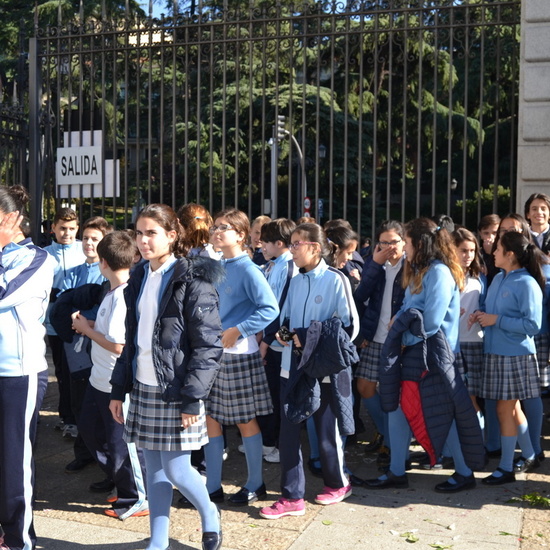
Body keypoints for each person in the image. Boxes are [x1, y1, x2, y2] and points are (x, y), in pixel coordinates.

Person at [109, 204, 223, 550]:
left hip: (177, 390)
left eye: (151, 233)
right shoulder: (140, 276)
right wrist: (119, 388)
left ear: (172, 236)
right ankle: (158, 541)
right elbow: (133, 338)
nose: (143, 241)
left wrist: (192, 397)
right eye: (139, 233)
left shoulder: (193, 279)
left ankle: (211, 514)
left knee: (177, 470)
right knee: (154, 471)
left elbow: (208, 346)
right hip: (143, 386)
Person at [366, 217, 484, 493]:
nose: (404, 248)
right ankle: (397, 470)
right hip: (416, 355)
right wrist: (402, 324)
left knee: (444, 414)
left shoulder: (440, 272)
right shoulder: (423, 270)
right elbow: (414, 312)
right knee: (397, 407)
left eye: (406, 242)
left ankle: (464, 473)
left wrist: (401, 333)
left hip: (434, 358)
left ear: (420, 243)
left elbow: (431, 322)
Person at [259, 222, 359, 520]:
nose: (292, 250)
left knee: (326, 432)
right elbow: (286, 324)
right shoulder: (296, 280)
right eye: (291, 244)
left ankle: (337, 484)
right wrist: (283, 337)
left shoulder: (336, 279)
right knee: (289, 434)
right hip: (292, 366)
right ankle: (292, 497)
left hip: (325, 370)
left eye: (297, 244)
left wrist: (307, 335)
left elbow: (350, 328)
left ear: (315, 247)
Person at [204, 208, 279, 507]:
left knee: (246, 420)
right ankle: (212, 486)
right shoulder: (219, 264)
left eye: (225, 227)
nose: (217, 231)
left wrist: (239, 330)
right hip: (213, 354)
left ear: (241, 234)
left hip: (238, 355)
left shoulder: (248, 268)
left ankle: (255, 483)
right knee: (211, 418)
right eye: (215, 227)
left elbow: (269, 308)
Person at [72, 231, 148, 519]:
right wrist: (91, 324)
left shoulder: (122, 296)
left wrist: (86, 330)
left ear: (103, 262)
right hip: (99, 380)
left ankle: (138, 497)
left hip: (115, 384)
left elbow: (118, 346)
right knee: (93, 433)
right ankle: (124, 485)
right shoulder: (113, 291)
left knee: (122, 447)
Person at [0, 188, 55, 550]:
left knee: (13, 464)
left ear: (9, 219)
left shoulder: (37, 259)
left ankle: (20, 541)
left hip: (18, 373)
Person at [472, 231, 544, 484]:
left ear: (510, 254)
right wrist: (481, 316)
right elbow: (495, 314)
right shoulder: (499, 278)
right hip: (496, 352)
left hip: (515, 356)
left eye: (498, 248)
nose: (492, 252)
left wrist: (496, 320)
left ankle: (505, 467)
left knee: (504, 409)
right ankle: (530, 454)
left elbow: (533, 325)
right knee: (510, 409)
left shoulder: (526, 283)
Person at [57, 216, 111, 473]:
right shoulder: (74, 271)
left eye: (95, 239)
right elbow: (62, 306)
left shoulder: (108, 272)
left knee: (101, 405)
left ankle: (105, 457)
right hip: (75, 347)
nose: (89, 243)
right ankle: (84, 451)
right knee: (79, 402)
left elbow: (99, 310)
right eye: (86, 238)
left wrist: (83, 315)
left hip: (98, 347)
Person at [354, 220, 406, 467]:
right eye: (384, 242)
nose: (389, 247)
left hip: (398, 340)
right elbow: (360, 296)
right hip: (374, 337)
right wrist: (374, 264)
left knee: (392, 393)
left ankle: (394, 441)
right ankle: (385, 431)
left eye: (394, 242)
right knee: (365, 387)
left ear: (404, 243)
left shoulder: (411, 268)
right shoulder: (375, 265)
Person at [44, 207, 85, 433]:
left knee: (76, 371)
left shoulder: (85, 249)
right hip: (55, 324)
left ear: (77, 228)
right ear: (53, 229)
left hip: (80, 321)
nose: (67, 233)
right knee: (60, 370)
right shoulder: (44, 254)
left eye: (71, 228)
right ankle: (66, 416)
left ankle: (76, 417)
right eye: (62, 228)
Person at [452, 227, 486, 414]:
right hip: (451, 342)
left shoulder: (479, 276)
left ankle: (475, 441)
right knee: (453, 397)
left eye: (472, 251)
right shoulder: (445, 275)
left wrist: (480, 313)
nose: (468, 255)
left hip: (474, 341)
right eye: (464, 250)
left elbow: (486, 303)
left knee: (471, 397)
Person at [478, 214, 500, 285]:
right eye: (486, 233)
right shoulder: (475, 254)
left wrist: (490, 254)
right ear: (480, 234)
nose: (491, 237)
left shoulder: (504, 254)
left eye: (494, 233)